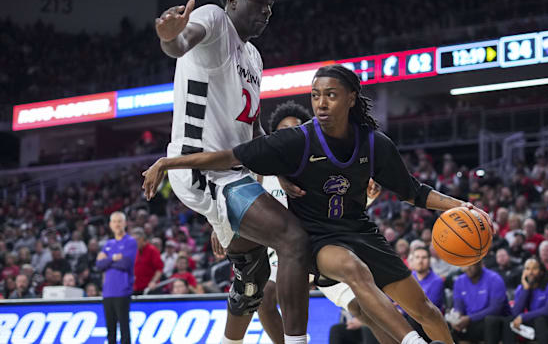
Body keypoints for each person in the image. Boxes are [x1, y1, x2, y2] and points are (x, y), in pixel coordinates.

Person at [142, 64, 495, 344]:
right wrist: (169, 162)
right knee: (351, 274)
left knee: (428, 312)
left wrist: (458, 205)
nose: (321, 103)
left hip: (360, 231)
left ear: (352, 98)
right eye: (315, 96)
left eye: (331, 95)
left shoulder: (375, 144)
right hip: (317, 239)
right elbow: (229, 157)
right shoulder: (296, 141)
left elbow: (413, 191)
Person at [155, 0, 311, 344]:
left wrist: (275, 170)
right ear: (232, 0)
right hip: (200, 168)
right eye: (259, 1)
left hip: (233, 173)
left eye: (271, 6)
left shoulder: (254, 58)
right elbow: (181, 42)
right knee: (293, 239)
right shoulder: (213, 18)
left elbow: (253, 129)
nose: (267, 11)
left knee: (253, 278)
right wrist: (168, 37)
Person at [246, 101, 393, 344]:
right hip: (284, 252)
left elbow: (336, 208)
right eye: (283, 130)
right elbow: (243, 206)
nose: (289, 134)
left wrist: (365, 198)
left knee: (360, 309)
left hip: (319, 243)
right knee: (264, 298)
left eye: (295, 129)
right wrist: (222, 232)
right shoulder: (264, 172)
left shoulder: (318, 167)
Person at [485, 257, 548, 344]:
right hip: (532, 321)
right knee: (509, 320)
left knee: (540, 320)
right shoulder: (522, 288)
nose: (531, 272)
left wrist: (523, 317)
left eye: (534, 268)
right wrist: (526, 289)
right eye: (527, 269)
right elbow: (515, 313)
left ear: (541, 271)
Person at [97, 212, 137, 344]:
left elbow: (126, 263)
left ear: (125, 223)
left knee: (124, 329)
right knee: (110, 330)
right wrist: (114, 258)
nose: (117, 224)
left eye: (119, 221)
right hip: (107, 292)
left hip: (122, 290)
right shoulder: (108, 244)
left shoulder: (130, 242)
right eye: (114, 221)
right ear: (110, 225)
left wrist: (107, 260)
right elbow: (99, 265)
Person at [450, 260, 510, 344]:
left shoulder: (495, 278)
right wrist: (456, 318)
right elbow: (458, 306)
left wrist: (470, 318)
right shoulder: (459, 281)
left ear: (480, 263)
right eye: (465, 265)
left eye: (471, 265)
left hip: (490, 322)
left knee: (490, 321)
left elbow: (495, 309)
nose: (467, 268)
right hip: (469, 323)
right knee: (447, 326)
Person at [406, 246, 445, 340]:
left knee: (413, 318)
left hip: (429, 322)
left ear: (429, 261)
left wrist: (401, 305)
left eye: (424, 257)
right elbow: (392, 300)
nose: (420, 261)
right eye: (417, 257)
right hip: (407, 317)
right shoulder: (407, 279)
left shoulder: (437, 281)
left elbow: (425, 307)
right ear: (412, 260)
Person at [130, 228, 163, 294]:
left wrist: (153, 281)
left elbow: (159, 269)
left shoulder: (152, 250)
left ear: (143, 239)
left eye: (136, 240)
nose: (134, 242)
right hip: (136, 288)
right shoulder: (134, 251)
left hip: (150, 289)